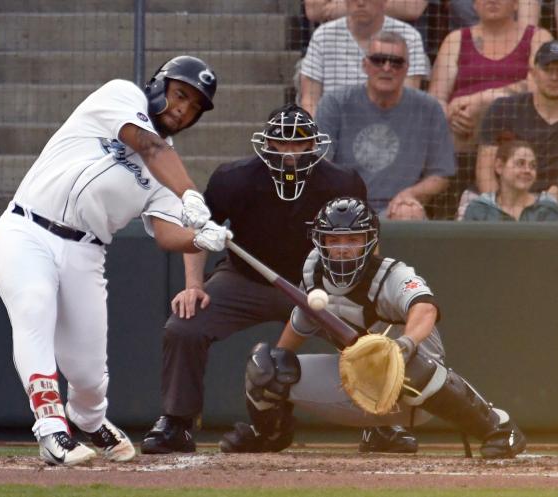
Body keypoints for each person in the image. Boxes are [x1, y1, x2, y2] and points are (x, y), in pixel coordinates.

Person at [0, 55, 231, 466]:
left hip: (85, 251)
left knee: (87, 373)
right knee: (34, 304)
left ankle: (88, 418)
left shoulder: (166, 175)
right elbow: (148, 146)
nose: (183, 108)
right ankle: (50, 429)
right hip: (25, 228)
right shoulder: (121, 96)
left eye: (194, 106)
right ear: (160, 85)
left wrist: (202, 236)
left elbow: (168, 234)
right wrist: (190, 191)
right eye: (179, 95)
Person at [140, 104, 386, 455]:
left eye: (298, 144)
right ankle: (177, 422)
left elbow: (367, 241)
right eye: (281, 144)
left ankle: (381, 423)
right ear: (265, 143)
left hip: (320, 284)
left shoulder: (342, 182)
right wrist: (193, 286)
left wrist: (366, 293)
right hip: (246, 279)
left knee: (368, 339)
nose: (289, 153)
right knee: (184, 325)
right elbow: (200, 232)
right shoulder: (233, 178)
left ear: (314, 145)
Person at [220, 196, 527, 460]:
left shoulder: (391, 275)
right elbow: (299, 325)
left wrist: (404, 344)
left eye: (352, 240)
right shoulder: (313, 271)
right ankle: (269, 436)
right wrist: (273, 374)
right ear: (320, 241)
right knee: (265, 365)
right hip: (360, 382)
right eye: (334, 239)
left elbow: (425, 308)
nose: (342, 249)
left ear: (370, 242)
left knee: (402, 364)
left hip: (415, 389)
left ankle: (497, 426)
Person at [316, 31, 455, 219]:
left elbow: (441, 175)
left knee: (410, 213)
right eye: (378, 60)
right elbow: (319, 165)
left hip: (397, 207)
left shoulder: (428, 109)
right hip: (344, 205)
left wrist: (411, 195)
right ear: (365, 65)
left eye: (396, 62)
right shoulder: (335, 103)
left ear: (407, 69)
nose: (387, 68)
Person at [429, 0, 551, 155]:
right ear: (474, 5)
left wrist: (482, 99)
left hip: (518, 125)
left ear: (516, 5)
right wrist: (453, 116)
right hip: (463, 132)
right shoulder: (455, 39)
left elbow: (539, 86)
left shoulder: (538, 37)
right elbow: (436, 98)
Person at [299, 0, 429, 116]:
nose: (360, 2)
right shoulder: (322, 36)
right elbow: (310, 100)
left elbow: (408, 103)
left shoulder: (410, 38)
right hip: (332, 131)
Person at [475, 40, 558, 195]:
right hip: (498, 200)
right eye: (548, 69)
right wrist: (501, 210)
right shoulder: (504, 109)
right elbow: (485, 173)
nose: (554, 77)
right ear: (533, 73)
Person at [462, 137, 558, 220]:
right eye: (520, 163)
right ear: (499, 166)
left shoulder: (547, 208)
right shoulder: (479, 209)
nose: (528, 170)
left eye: (533, 166)